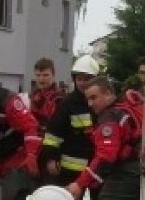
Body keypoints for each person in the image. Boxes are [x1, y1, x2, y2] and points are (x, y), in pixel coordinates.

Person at [40, 55, 100, 187]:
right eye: (79, 79)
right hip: (69, 171)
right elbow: (53, 134)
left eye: (87, 79)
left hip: (94, 170)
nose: (83, 83)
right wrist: (51, 158)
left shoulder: (101, 103)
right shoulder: (68, 103)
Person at [30, 57, 65, 135]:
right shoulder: (32, 96)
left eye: (45, 75)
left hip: (50, 140)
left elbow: (57, 125)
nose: (41, 79)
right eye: (38, 75)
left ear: (53, 75)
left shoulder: (59, 98)